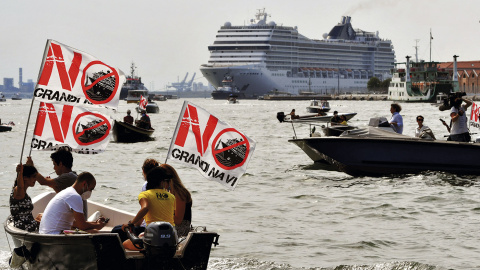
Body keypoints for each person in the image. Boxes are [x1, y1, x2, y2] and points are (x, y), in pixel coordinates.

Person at [121, 167, 176, 250]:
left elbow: (145, 208)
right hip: (171, 237)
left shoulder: (145, 195)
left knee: (125, 244)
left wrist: (130, 224)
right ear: (162, 182)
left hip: (154, 238)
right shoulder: (172, 197)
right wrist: (135, 223)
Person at [39, 172, 107, 234]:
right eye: (91, 189)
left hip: (45, 234)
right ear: (84, 184)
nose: (90, 192)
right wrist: (98, 226)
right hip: (55, 236)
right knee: (95, 232)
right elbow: (82, 226)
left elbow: (75, 223)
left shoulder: (67, 192)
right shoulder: (75, 196)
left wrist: (95, 223)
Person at [27, 148, 87, 217]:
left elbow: (42, 181)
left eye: (54, 164)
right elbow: (62, 195)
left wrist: (31, 167)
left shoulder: (67, 177)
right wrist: (53, 185)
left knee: (40, 217)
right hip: (77, 218)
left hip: (77, 222)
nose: (54, 168)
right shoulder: (73, 175)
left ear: (61, 164)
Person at [110, 158, 160, 242]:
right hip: (160, 227)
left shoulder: (146, 186)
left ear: (143, 171)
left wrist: (132, 224)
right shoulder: (165, 190)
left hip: (147, 229)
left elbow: (145, 209)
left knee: (116, 231)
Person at [161, 164, 192, 237]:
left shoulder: (179, 193)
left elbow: (178, 220)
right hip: (171, 227)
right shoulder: (168, 192)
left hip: (180, 230)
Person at [9, 164, 40, 232]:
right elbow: (20, 186)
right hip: (25, 229)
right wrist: (20, 173)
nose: (36, 179)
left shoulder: (24, 194)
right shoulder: (18, 191)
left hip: (31, 225)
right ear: (25, 178)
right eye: (34, 177)